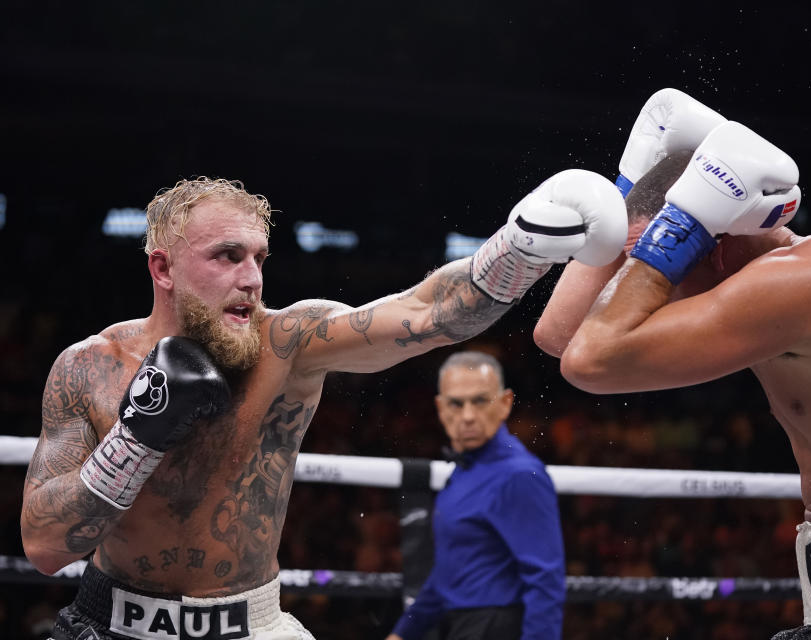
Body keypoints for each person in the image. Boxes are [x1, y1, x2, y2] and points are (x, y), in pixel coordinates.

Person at [20, 167, 626, 639]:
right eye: (228, 256)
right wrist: (137, 439)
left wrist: (521, 248)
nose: (253, 278)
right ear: (163, 268)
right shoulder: (89, 367)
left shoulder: (287, 342)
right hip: (113, 623)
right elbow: (45, 548)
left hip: (250, 623)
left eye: (259, 258)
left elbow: (425, 312)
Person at [534, 88, 811, 638]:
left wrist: (681, 221)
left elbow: (591, 358)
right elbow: (561, 336)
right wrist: (631, 186)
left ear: (708, 242)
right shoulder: (765, 288)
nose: (648, 282)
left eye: (658, 259)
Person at [386, 351, 565, 640]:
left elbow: (545, 579)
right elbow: (451, 569)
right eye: (456, 404)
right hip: (461, 625)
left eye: (480, 401)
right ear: (441, 408)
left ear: (505, 403)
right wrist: (403, 632)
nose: (468, 416)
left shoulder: (519, 475)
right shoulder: (465, 470)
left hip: (496, 625)